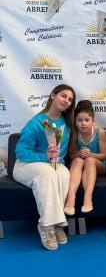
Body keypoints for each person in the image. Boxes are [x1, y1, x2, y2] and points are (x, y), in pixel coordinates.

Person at [13, 84, 76, 250]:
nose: (67, 101)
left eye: (70, 99)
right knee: (47, 172)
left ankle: (57, 224)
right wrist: (44, 157)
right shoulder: (36, 122)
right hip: (26, 165)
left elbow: (60, 155)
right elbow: (20, 151)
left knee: (63, 173)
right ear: (53, 96)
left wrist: (55, 160)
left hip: (52, 164)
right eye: (63, 96)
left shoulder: (66, 124)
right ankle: (46, 225)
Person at [64, 100, 106, 215]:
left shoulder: (100, 132)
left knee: (89, 160)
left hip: (98, 164)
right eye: (79, 120)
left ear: (93, 121)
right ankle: (70, 199)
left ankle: (88, 198)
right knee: (78, 160)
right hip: (79, 165)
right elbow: (72, 155)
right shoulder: (74, 133)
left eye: (87, 120)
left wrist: (90, 154)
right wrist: (79, 153)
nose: (83, 124)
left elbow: (104, 155)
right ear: (75, 122)